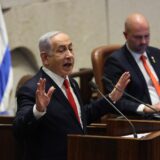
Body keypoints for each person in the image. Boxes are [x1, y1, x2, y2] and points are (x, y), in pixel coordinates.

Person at [13, 31, 130, 160]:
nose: (69, 55)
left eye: (70, 48)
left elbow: (79, 117)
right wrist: (38, 110)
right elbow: (19, 130)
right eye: (61, 50)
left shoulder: (71, 83)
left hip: (77, 153)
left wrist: (111, 98)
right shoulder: (31, 89)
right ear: (45, 58)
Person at [104, 13, 160, 117]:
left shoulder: (156, 54)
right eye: (138, 37)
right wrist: (146, 108)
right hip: (147, 120)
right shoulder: (115, 62)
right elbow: (117, 100)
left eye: (146, 36)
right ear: (126, 35)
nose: (143, 41)